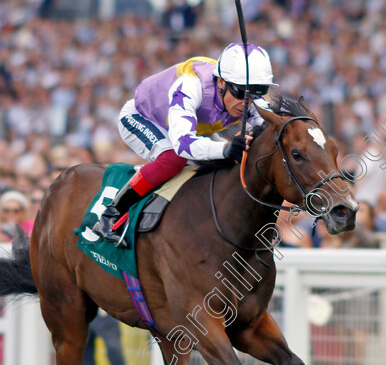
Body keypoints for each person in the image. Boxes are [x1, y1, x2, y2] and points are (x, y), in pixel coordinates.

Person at [93, 43, 277, 247]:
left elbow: (273, 129)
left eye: (257, 93)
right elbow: (183, 145)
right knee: (173, 159)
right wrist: (225, 148)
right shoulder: (191, 86)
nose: (247, 102)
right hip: (143, 118)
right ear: (222, 82)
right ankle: (111, 214)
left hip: (190, 127)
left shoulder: (247, 97)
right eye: (241, 93)